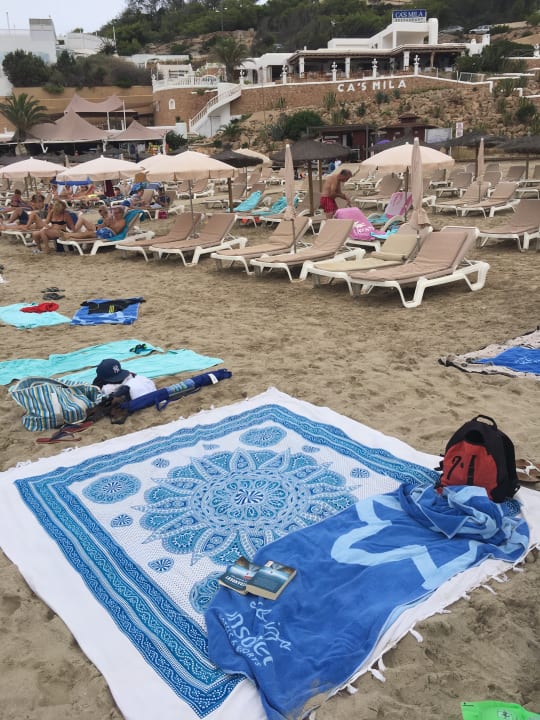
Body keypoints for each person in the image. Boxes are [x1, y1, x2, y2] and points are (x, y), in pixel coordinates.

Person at [61, 206, 126, 242]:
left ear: (121, 213)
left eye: (117, 213)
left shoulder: (122, 221)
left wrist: (109, 224)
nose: (115, 214)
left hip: (109, 233)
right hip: (104, 230)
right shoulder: (113, 218)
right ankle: (69, 235)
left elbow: (116, 230)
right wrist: (106, 223)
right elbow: (104, 225)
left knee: (88, 234)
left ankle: (69, 235)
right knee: (88, 233)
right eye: (114, 213)